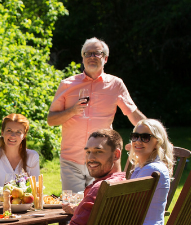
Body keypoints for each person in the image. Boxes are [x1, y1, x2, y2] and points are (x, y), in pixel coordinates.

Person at [47, 37, 147, 193]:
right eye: (88, 54)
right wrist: (72, 111)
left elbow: (133, 114)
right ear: (83, 58)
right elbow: (51, 120)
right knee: (73, 208)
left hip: (104, 160)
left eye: (97, 54)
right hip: (72, 159)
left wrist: (152, 132)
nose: (92, 57)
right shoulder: (67, 84)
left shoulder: (115, 84)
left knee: (105, 209)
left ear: (105, 58)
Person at [127, 119, 173, 225]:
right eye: (135, 136)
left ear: (157, 142)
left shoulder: (151, 170)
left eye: (145, 137)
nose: (138, 141)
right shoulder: (146, 167)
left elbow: (127, 205)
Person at [0, 113, 41, 201]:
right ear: (2, 132)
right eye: (9, 130)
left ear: (24, 136)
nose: (13, 136)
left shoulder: (32, 157)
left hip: (25, 207)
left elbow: (36, 188)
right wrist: (9, 199)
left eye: (18, 132)